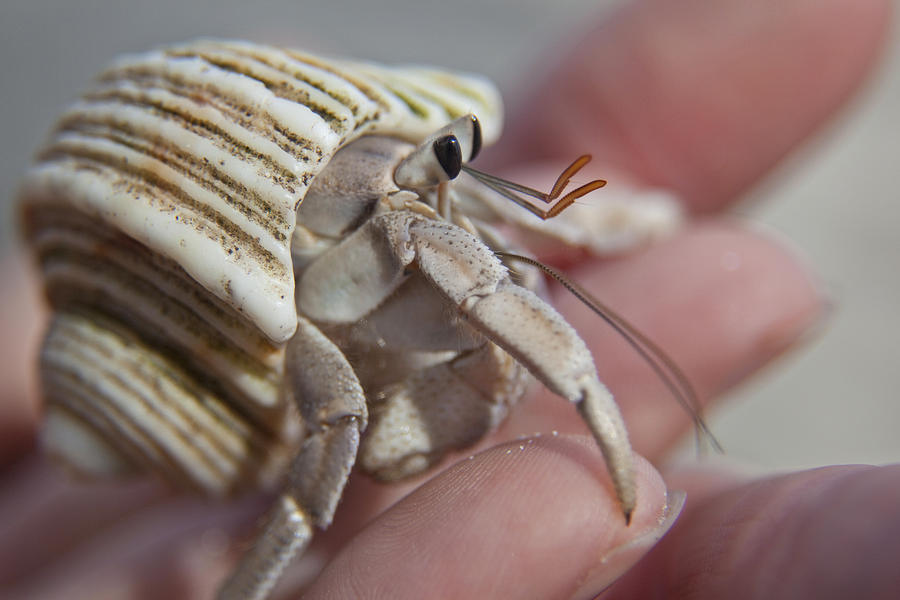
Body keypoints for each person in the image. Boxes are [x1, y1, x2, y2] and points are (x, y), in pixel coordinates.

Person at [1, 0, 896, 597]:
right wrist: (581, 389)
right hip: (205, 342)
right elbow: (360, 369)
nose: (436, 196)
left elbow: (446, 206)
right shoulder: (373, 233)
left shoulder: (405, 192)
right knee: (342, 407)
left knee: (435, 221)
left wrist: (610, 223)